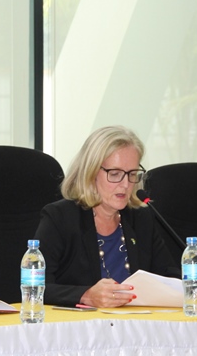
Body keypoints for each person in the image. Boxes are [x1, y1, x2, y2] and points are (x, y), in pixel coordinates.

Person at [34, 126, 179, 307]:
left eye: (132, 174)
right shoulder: (60, 218)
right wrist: (85, 296)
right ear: (91, 173)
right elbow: (35, 287)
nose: (126, 184)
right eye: (115, 174)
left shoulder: (141, 219)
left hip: (137, 327)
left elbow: (169, 277)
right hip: (80, 330)